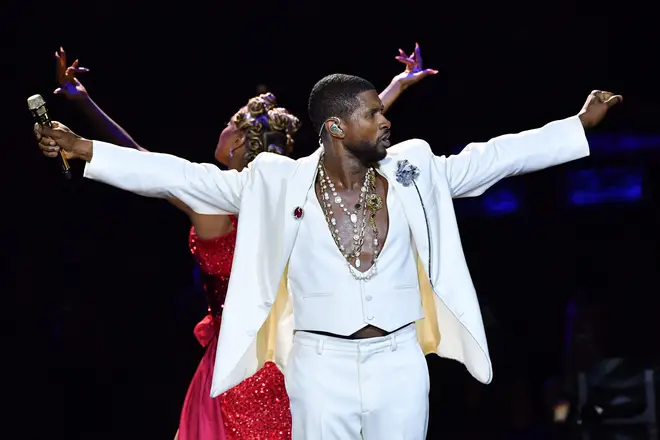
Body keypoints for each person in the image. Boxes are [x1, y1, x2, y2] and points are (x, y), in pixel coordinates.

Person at [35, 71, 622, 439]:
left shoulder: (411, 170)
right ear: (338, 128)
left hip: (397, 360)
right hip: (318, 368)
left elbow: (490, 159)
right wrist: (85, 149)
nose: (386, 119)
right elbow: (177, 175)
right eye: (374, 113)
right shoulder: (276, 182)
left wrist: (575, 127)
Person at [49, 46, 437, 440]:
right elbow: (343, 143)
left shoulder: (212, 208)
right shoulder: (293, 195)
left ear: (236, 144)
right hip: (290, 362)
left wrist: (85, 106)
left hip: (236, 368)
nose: (222, 129)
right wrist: (395, 88)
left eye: (228, 125)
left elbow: (146, 164)